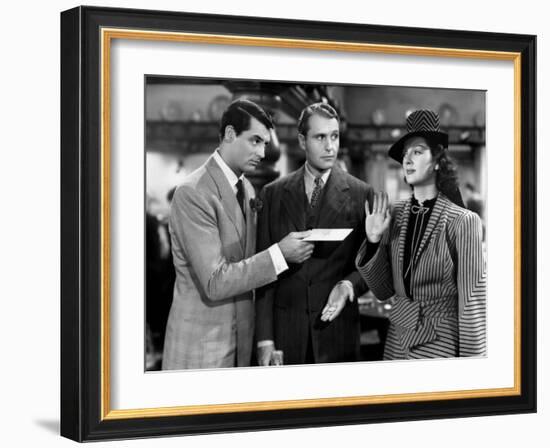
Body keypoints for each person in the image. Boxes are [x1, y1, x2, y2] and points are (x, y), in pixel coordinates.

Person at [162, 99, 314, 370]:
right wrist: (279, 254)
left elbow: (249, 266)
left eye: (265, 143)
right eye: (255, 140)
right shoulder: (193, 192)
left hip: (240, 347)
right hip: (201, 349)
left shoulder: (247, 190)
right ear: (230, 134)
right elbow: (215, 281)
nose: (263, 152)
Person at [356, 110, 486, 359]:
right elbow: (383, 290)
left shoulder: (464, 221)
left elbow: (472, 305)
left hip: (441, 345)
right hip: (396, 344)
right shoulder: (395, 215)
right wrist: (373, 242)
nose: (407, 159)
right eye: (405, 154)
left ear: (437, 160)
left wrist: (474, 370)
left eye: (417, 151)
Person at [255, 102, 374, 365]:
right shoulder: (272, 194)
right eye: (320, 137)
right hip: (285, 336)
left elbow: (372, 266)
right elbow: (264, 275)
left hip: (337, 335)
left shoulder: (361, 194)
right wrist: (265, 339)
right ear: (302, 141)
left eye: (334, 136)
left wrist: (348, 286)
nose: (330, 146)